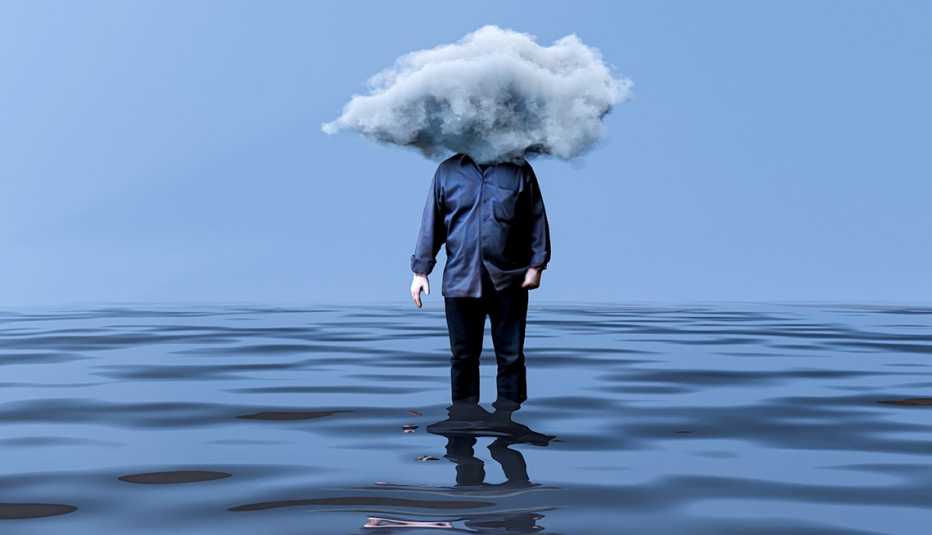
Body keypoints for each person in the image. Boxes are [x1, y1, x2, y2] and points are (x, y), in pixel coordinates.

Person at [409, 152, 551, 410]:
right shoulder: (447, 171)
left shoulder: (519, 169)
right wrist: (421, 272)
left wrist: (536, 266)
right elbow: (432, 222)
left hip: (510, 281)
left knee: (511, 356)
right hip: (460, 281)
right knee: (463, 357)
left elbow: (536, 217)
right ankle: (462, 421)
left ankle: (510, 422)